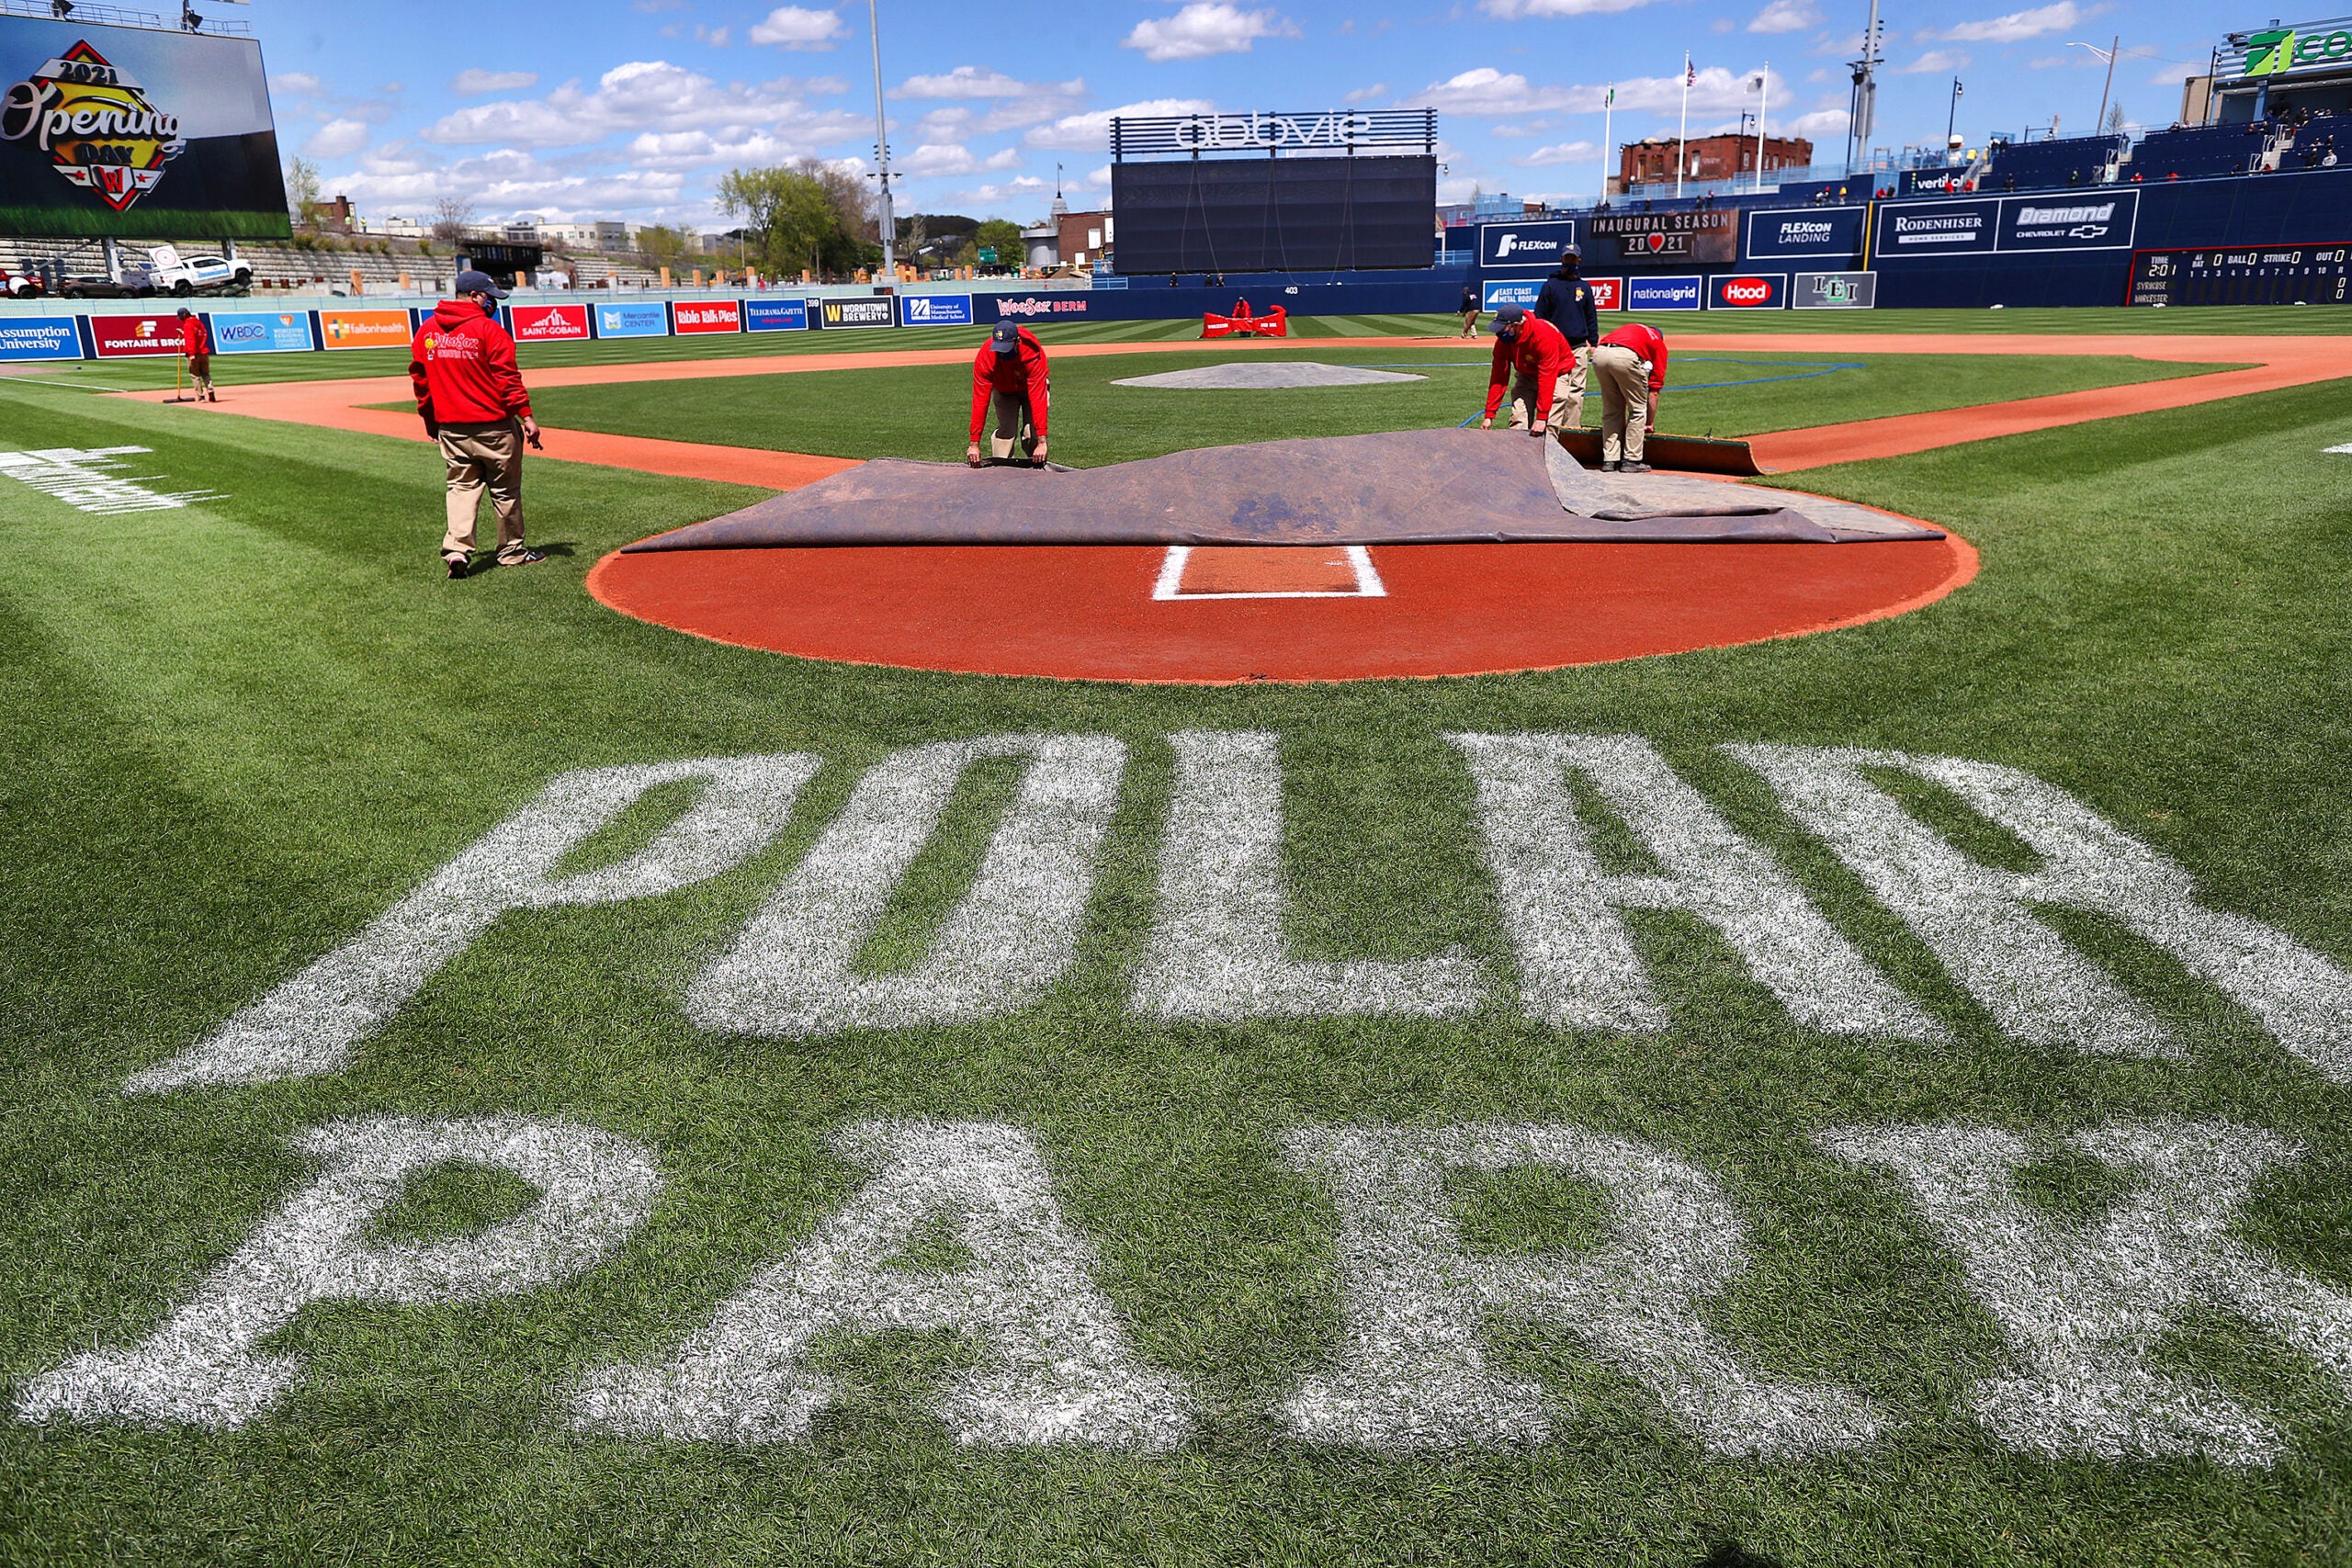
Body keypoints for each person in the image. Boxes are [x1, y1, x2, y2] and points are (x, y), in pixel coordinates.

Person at [409, 269, 544, 580]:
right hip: (494, 427)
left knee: (460, 488)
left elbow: (421, 381)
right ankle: (511, 551)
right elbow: (507, 379)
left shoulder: (427, 331)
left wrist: (430, 420)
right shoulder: (489, 330)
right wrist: (527, 416)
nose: (492, 303)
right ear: (473, 296)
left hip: (452, 428)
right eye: (488, 297)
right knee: (505, 491)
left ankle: (457, 551)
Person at [1478, 306, 1575, 440]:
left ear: (1516, 325)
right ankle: (1517, 455)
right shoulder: (1503, 343)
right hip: (1527, 373)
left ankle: (1550, 455)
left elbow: (1547, 376)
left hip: (1557, 372)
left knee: (1550, 422)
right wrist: (1489, 414)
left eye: (1502, 329)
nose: (1498, 333)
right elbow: (1498, 378)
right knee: (1519, 417)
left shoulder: (1543, 335)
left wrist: (1542, 417)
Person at [1531, 244, 1600, 430]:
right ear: (1562, 259)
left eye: (1573, 258)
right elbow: (1540, 318)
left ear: (1579, 260)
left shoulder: (1584, 287)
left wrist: (1593, 343)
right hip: (1555, 349)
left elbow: (1590, 316)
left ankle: (1572, 431)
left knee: (1576, 393)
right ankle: (1551, 430)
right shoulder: (1550, 286)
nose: (1569, 261)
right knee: (1556, 392)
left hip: (1578, 346)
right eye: (1566, 258)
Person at [1590, 319, 1669, 473]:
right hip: (1625, 355)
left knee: (1612, 409)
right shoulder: (1658, 343)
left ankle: (1610, 460)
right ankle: (1631, 460)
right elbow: (1654, 389)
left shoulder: (1635, 329)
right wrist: (1649, 423)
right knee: (1638, 410)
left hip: (1599, 354)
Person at [967, 321, 1049, 467]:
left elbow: (1038, 398)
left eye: (1006, 347)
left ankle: (1038, 470)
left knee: (1032, 434)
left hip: (1031, 389)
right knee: (1006, 431)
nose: (1002, 352)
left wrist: (1042, 442)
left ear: (1017, 342)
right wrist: (974, 443)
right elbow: (980, 401)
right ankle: (1001, 472)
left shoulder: (1032, 353)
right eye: (999, 348)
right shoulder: (986, 356)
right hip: (1004, 390)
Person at [175, 306, 214, 402]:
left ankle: (201, 396)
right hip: (204, 352)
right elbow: (198, 335)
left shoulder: (187, 324)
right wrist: (183, 333)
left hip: (195, 353)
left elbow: (191, 340)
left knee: (195, 375)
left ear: (184, 315)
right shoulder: (199, 323)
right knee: (206, 373)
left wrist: (191, 354)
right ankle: (211, 390)